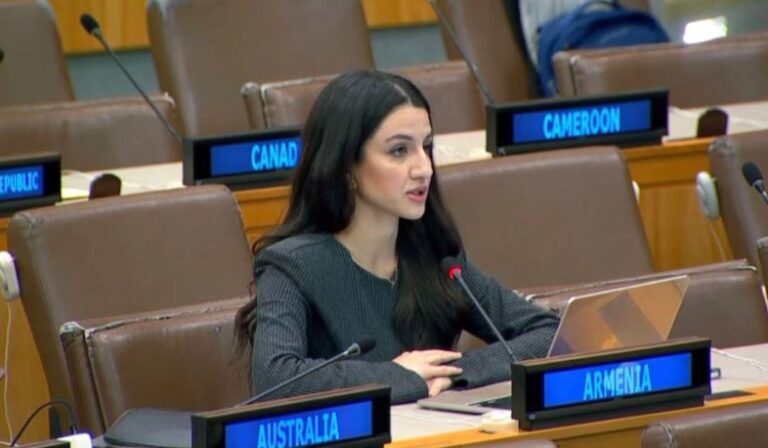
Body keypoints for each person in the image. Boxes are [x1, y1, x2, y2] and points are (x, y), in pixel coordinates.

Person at [235, 70, 560, 404]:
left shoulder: (436, 256)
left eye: (426, 147)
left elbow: (548, 332)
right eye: (399, 151)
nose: (424, 168)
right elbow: (276, 377)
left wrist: (453, 371)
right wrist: (398, 376)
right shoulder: (291, 265)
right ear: (346, 166)